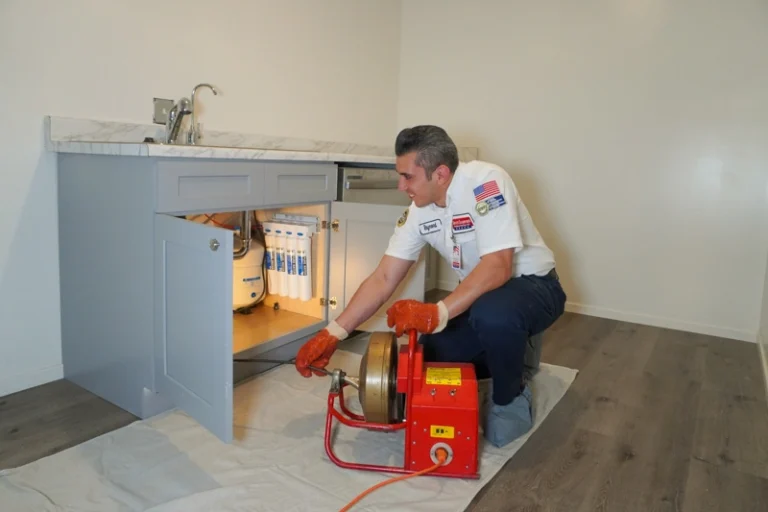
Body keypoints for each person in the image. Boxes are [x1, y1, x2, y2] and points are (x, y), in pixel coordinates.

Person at [294, 125, 566, 448]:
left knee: (494, 316)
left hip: (534, 287)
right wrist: (334, 333)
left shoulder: (486, 182)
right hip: (482, 298)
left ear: (440, 174)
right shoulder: (418, 213)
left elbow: (498, 266)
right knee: (426, 363)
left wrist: (437, 313)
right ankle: (513, 350)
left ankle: (511, 398)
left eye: (407, 177)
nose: (401, 186)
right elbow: (384, 278)